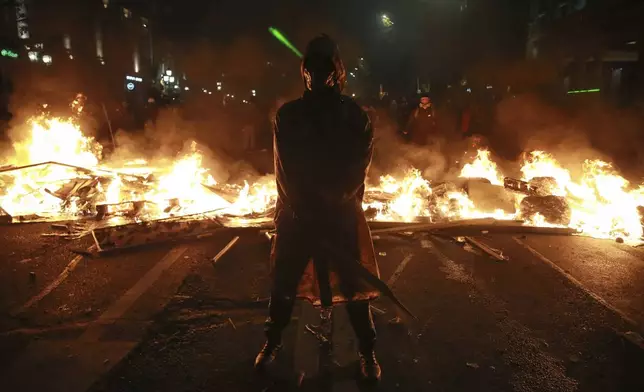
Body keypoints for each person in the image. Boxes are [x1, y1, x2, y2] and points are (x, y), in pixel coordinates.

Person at [255, 34, 382, 383]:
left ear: (337, 72)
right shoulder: (289, 116)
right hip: (298, 217)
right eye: (311, 66)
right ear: (303, 71)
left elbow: (358, 167)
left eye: (325, 67)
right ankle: (272, 342)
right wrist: (301, 209)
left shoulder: (355, 116)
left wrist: (333, 201)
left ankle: (367, 351)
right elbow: (285, 170)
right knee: (283, 283)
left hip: (339, 216)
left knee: (356, 289)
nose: (317, 73)